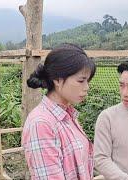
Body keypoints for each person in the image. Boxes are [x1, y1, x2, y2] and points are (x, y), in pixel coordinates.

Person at [22, 43, 96, 179]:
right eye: (81, 81)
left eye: (88, 81)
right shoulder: (41, 124)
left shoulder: (67, 115)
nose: (87, 87)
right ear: (57, 80)